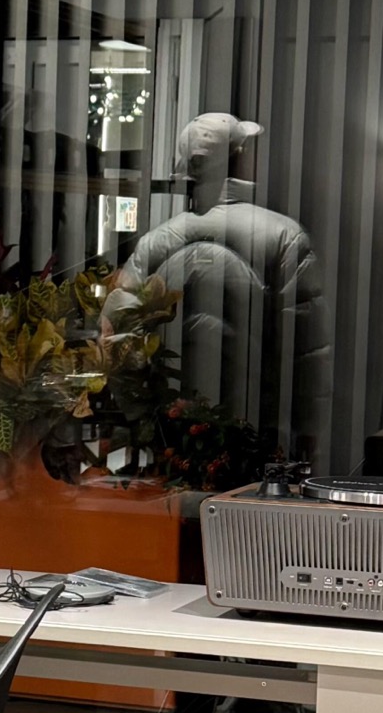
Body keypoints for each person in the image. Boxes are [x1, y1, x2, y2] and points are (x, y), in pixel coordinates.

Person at [106, 111, 331, 458]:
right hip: (259, 438)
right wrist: (308, 431)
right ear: (238, 157)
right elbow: (307, 351)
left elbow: (118, 339)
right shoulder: (284, 237)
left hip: (173, 440)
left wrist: (142, 421)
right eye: (247, 149)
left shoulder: (155, 243)